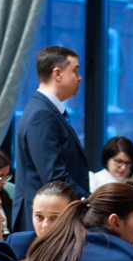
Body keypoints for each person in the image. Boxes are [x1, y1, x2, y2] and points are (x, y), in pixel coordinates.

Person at [13, 46, 89, 232]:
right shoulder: (42, 113)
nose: (79, 77)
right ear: (58, 74)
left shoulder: (45, 109)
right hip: (43, 221)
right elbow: (54, 177)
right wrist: (91, 201)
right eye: (75, 71)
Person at [5, 181, 77, 261]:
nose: (45, 225)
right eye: (39, 216)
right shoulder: (17, 244)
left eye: (55, 217)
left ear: (73, 216)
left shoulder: (84, 251)